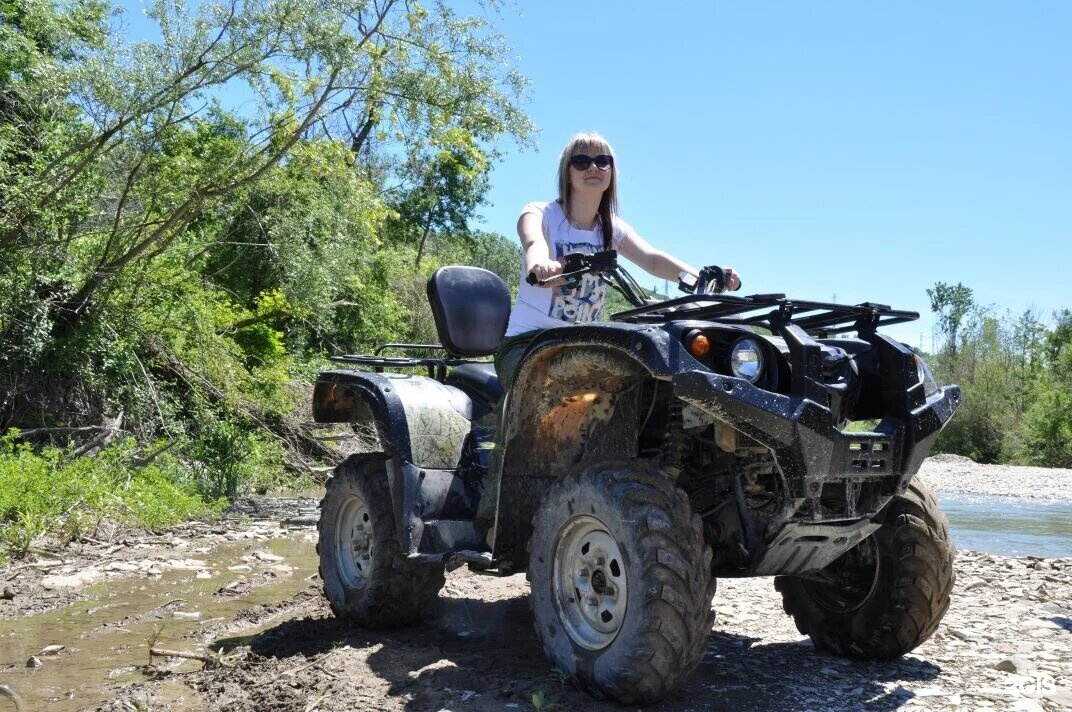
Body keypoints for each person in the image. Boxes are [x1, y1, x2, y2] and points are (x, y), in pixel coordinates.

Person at [495, 131, 741, 386]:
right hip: (529, 343)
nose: (593, 167)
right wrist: (540, 265)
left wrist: (707, 277)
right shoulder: (540, 213)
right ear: (566, 172)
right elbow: (534, 243)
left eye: (602, 161)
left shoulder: (612, 228)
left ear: (611, 171)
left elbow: (653, 260)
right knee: (555, 389)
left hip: (583, 345)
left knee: (641, 385)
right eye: (581, 161)